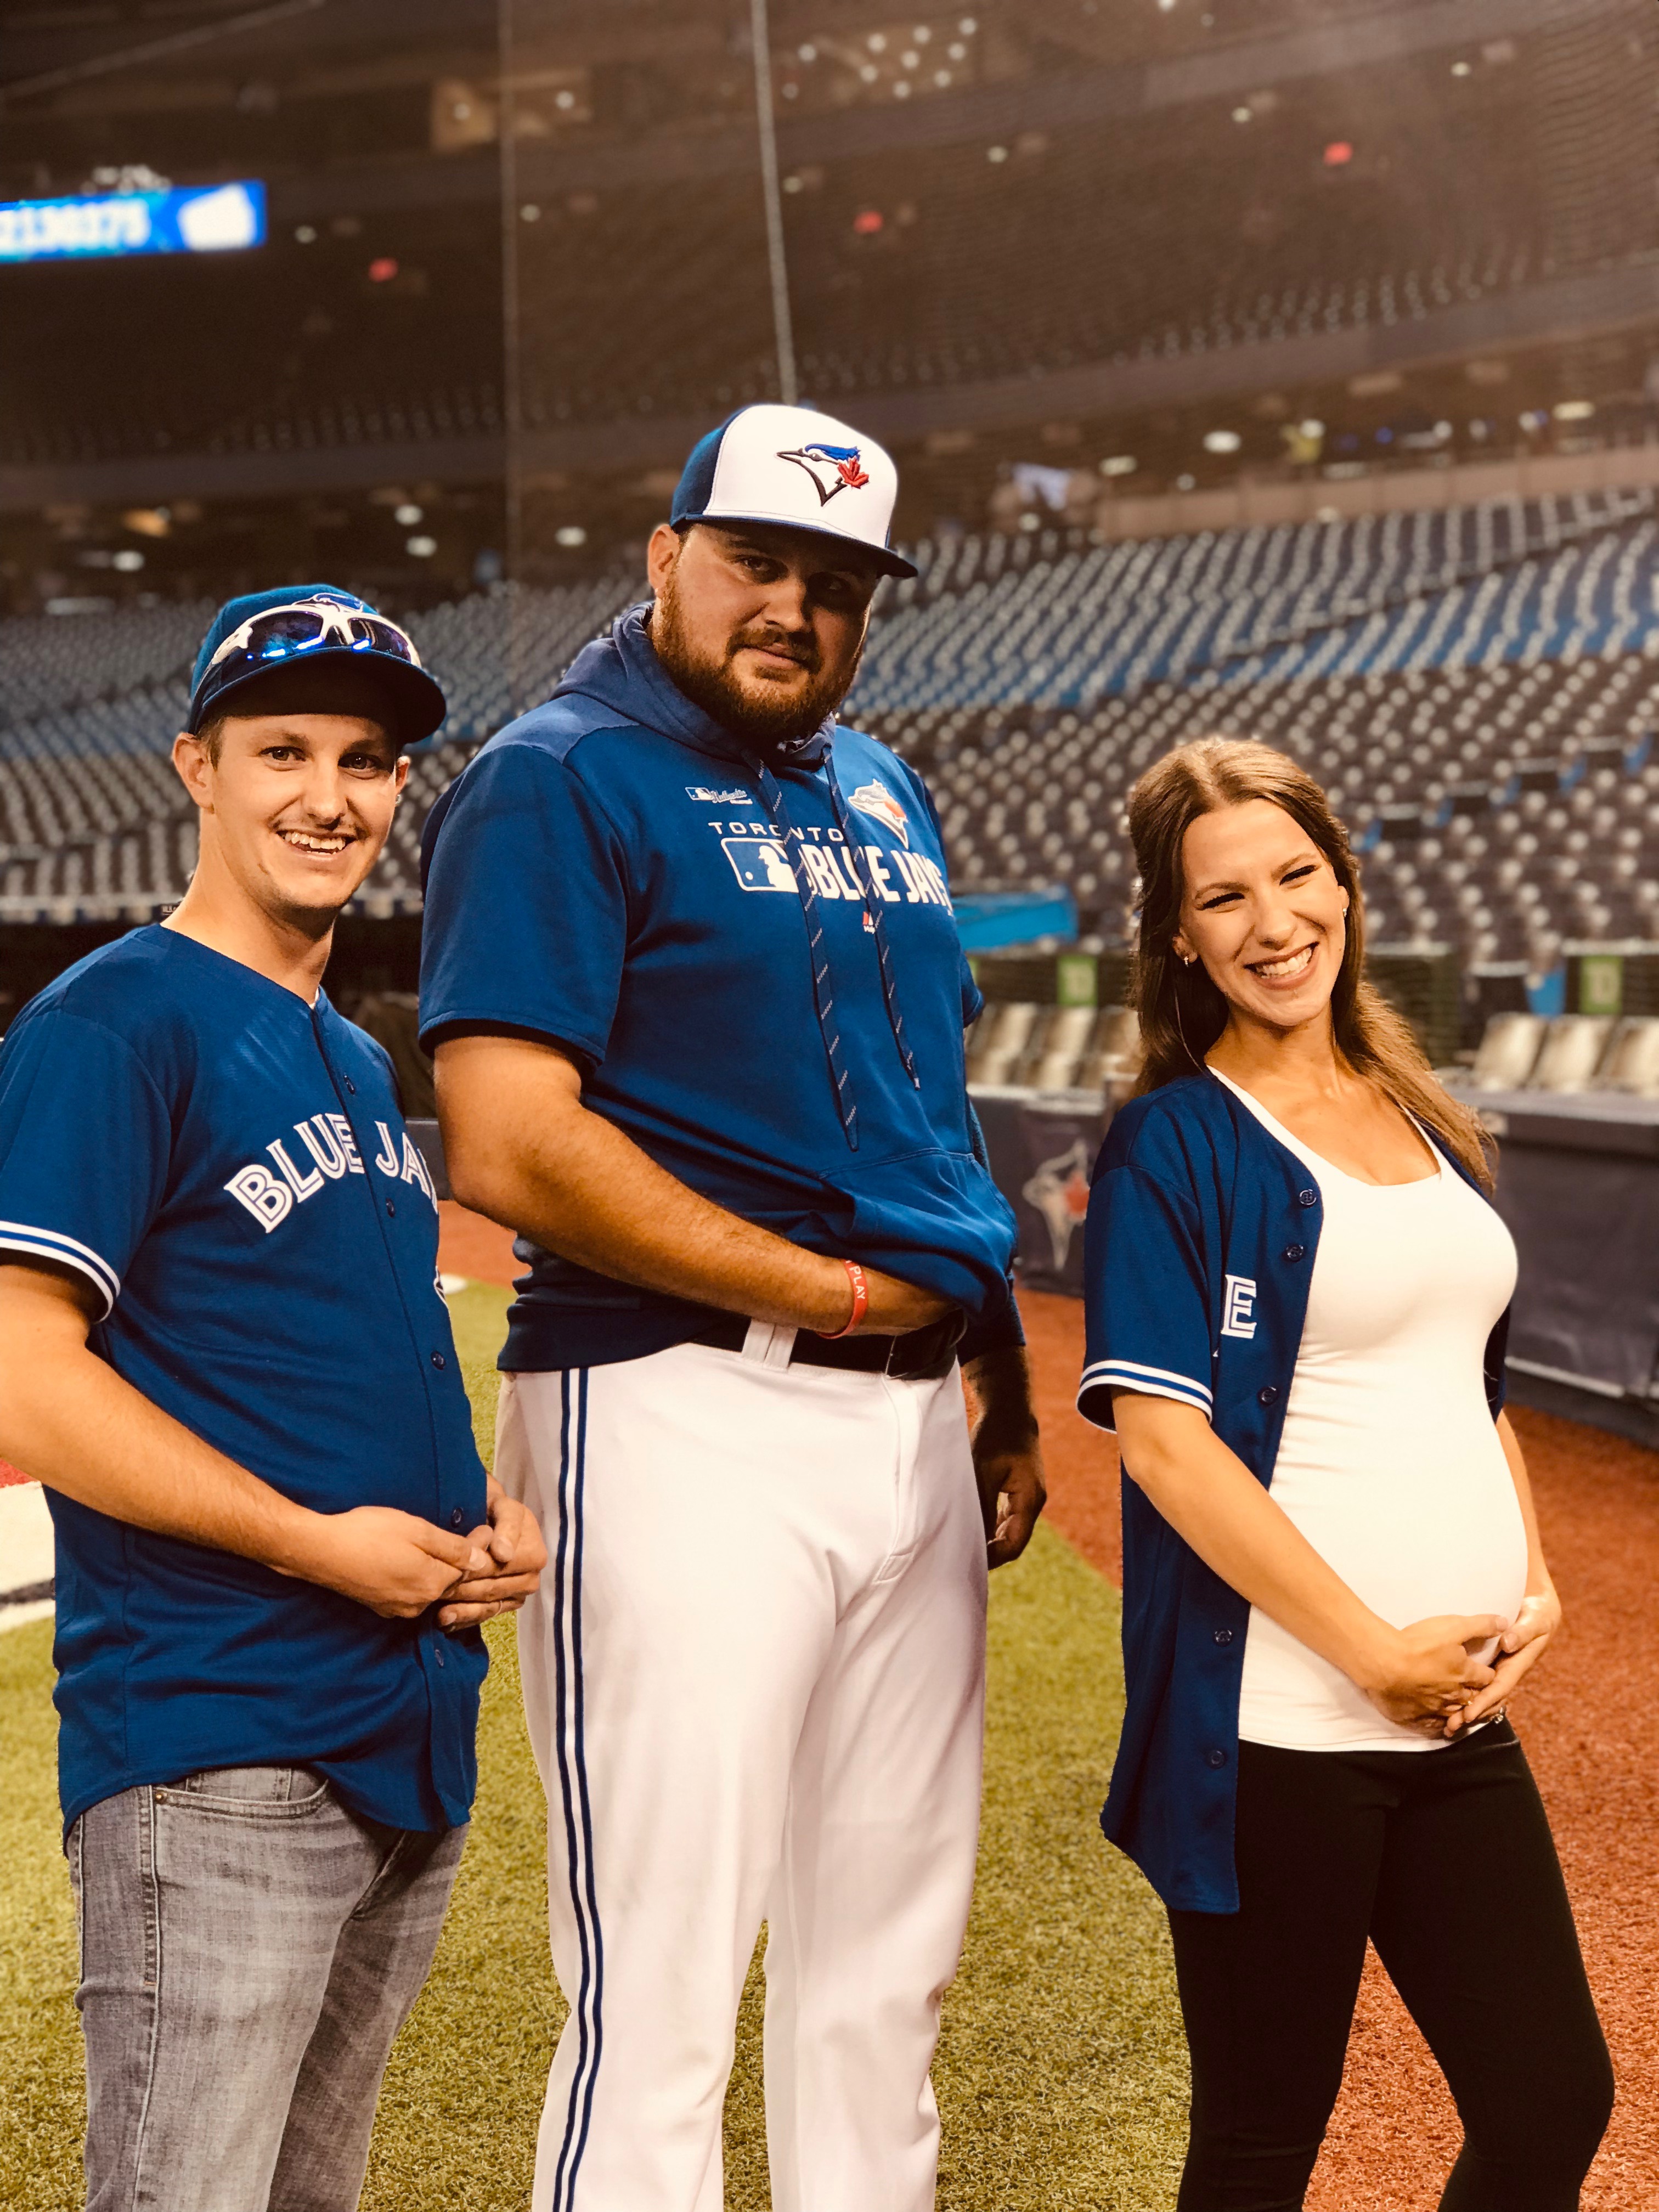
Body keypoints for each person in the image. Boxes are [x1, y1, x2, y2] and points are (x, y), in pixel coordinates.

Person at [419, 402, 1047, 2212]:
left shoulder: (878, 783)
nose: (795, 609)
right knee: (664, 1994)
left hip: (912, 1430)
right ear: (665, 557)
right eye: (758, 562)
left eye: (837, 584)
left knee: (881, 1979)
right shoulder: (560, 776)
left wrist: (989, 1372)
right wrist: (828, 1290)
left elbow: (930, 1114)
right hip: (681, 1407)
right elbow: (511, 1144)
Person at [0, 588, 547, 2212]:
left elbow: (324, 1351)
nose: (330, 794)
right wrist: (318, 1544)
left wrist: (477, 1526)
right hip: (220, 1732)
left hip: (398, 1723)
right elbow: (26, 1364)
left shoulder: (353, 1061)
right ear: (196, 766)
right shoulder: (114, 1021)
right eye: (283, 749)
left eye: (368, 759)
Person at [1077, 738, 1613, 2211]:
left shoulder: (1422, 1113)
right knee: (1262, 2143)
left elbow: (1469, 1383)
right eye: (1226, 897)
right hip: (1279, 1729)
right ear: (1179, 937)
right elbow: (1170, 1452)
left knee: (1553, 2099)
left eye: (1297, 875)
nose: (1274, 922)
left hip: (1451, 1716)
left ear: (1347, 883)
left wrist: (1537, 1574)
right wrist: (1373, 1651)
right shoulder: (1173, 1145)